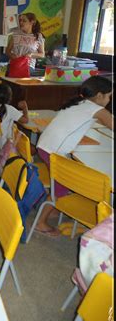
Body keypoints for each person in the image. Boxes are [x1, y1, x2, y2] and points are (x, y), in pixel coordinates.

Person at [35, 76, 113, 236]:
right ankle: (40, 222)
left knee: (61, 184)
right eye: (109, 96)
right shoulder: (95, 109)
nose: (109, 100)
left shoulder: (78, 102)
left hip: (46, 146)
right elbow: (111, 124)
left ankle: (53, 208)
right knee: (61, 187)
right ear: (99, 95)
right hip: (53, 152)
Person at [0, 83, 29, 149]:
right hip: (5, 145)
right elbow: (26, 120)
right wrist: (25, 108)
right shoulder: (10, 109)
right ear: (10, 98)